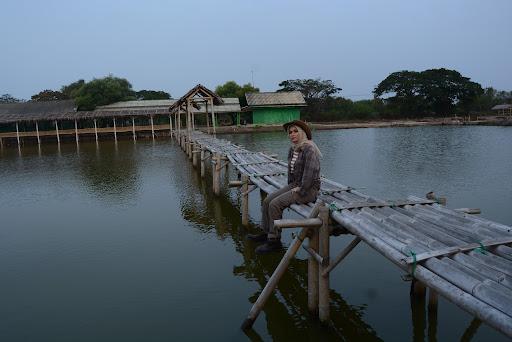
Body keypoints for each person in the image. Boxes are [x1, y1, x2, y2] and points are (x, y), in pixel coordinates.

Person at [247, 120, 322, 254]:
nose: (292, 134)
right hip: (295, 185)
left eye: (295, 131)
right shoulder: (293, 149)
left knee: (275, 204)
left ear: (302, 133)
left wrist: (300, 189)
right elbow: (291, 173)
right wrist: (290, 188)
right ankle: (266, 232)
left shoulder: (309, 149)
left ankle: (274, 241)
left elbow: (309, 175)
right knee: (267, 200)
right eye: (290, 132)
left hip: (309, 189)